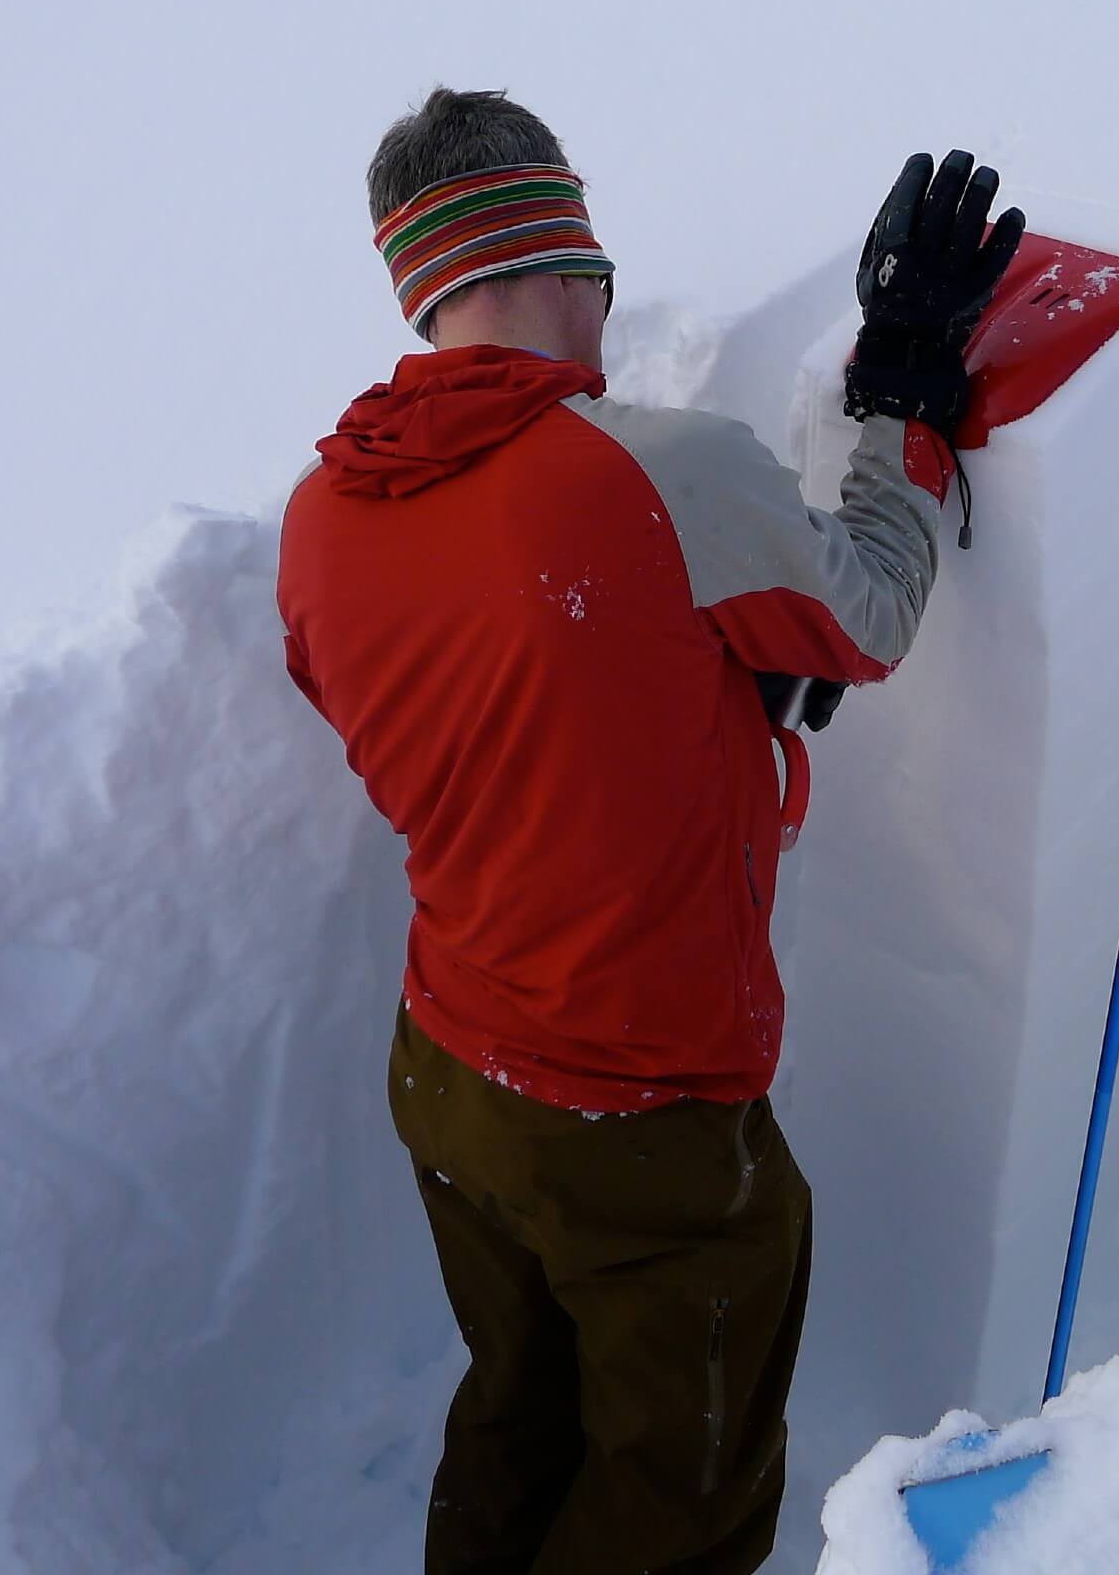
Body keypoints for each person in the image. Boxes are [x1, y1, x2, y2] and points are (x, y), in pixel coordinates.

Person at [275, 85, 1023, 1574]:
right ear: (564, 257)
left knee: (520, 1408)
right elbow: (866, 608)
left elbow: (485, 727)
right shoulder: (658, 466)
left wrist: (691, 695)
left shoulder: (322, 517)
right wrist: (904, 406)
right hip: (639, 1113)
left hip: (446, 1069)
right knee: (675, 1502)